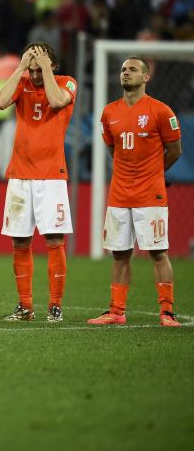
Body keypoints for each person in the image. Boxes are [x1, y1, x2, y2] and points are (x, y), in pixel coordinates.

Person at [88, 57, 182, 327]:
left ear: (146, 77)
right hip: (119, 194)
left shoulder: (161, 111)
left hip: (150, 194)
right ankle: (116, 311)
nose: (125, 73)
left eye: (132, 70)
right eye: (122, 70)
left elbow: (175, 150)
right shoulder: (109, 113)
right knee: (119, 253)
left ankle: (167, 311)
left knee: (158, 252)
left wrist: (154, 172)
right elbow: (112, 149)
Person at [0, 43, 77, 322]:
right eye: (31, 66)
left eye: (40, 65)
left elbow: (56, 101)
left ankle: (55, 305)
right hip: (20, 175)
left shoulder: (66, 83)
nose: (34, 71)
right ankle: (25, 306)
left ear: (53, 65)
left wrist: (44, 68)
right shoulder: (22, 81)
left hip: (52, 175)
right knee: (20, 240)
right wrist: (19, 69)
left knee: (54, 239)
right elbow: (1, 102)